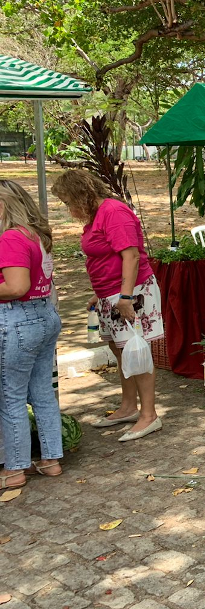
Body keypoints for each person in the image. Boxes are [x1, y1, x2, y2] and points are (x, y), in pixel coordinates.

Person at [52, 170, 164, 442]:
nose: (69, 210)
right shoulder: (97, 215)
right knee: (119, 348)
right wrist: (98, 293)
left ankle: (149, 415)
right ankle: (128, 406)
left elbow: (131, 256)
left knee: (136, 349)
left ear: (82, 194)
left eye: (69, 202)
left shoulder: (113, 211)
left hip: (131, 292)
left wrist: (125, 298)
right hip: (110, 293)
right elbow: (103, 257)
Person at [0, 181, 63, 489]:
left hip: (17, 317)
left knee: (10, 395)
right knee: (41, 392)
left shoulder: (10, 238)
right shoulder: (32, 234)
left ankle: (14, 470)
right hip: (43, 315)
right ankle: (51, 459)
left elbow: (16, 287)